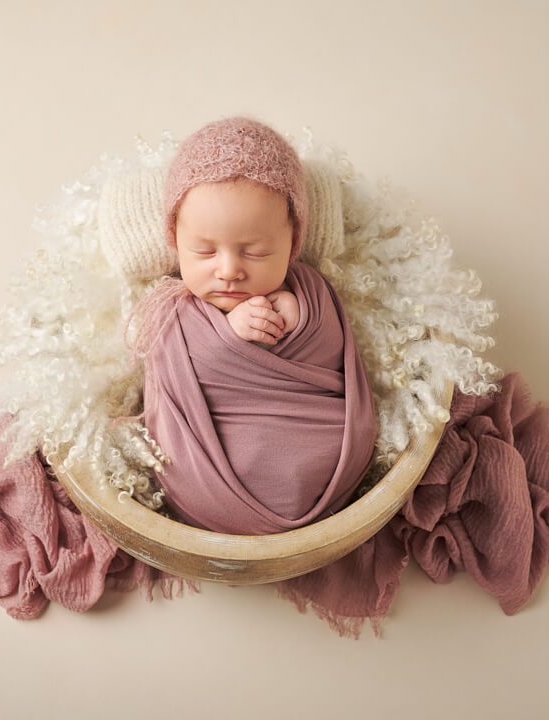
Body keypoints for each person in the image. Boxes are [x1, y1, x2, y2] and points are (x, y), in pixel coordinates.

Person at [136, 117, 378, 535]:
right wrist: (227, 338)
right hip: (209, 474)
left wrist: (300, 323)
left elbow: (332, 354)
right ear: (175, 239)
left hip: (320, 457)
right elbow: (165, 374)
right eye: (205, 251)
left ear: (293, 241)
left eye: (256, 252)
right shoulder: (172, 311)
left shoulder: (311, 294)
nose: (229, 270)